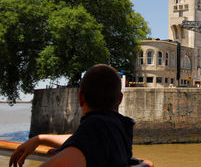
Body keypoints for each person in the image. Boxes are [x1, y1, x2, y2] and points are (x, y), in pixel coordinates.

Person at [9, 64, 153, 167]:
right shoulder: (121, 129)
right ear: (120, 99)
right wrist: (41, 139)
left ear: (80, 98)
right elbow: (83, 140)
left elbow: (73, 155)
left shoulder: (93, 129)